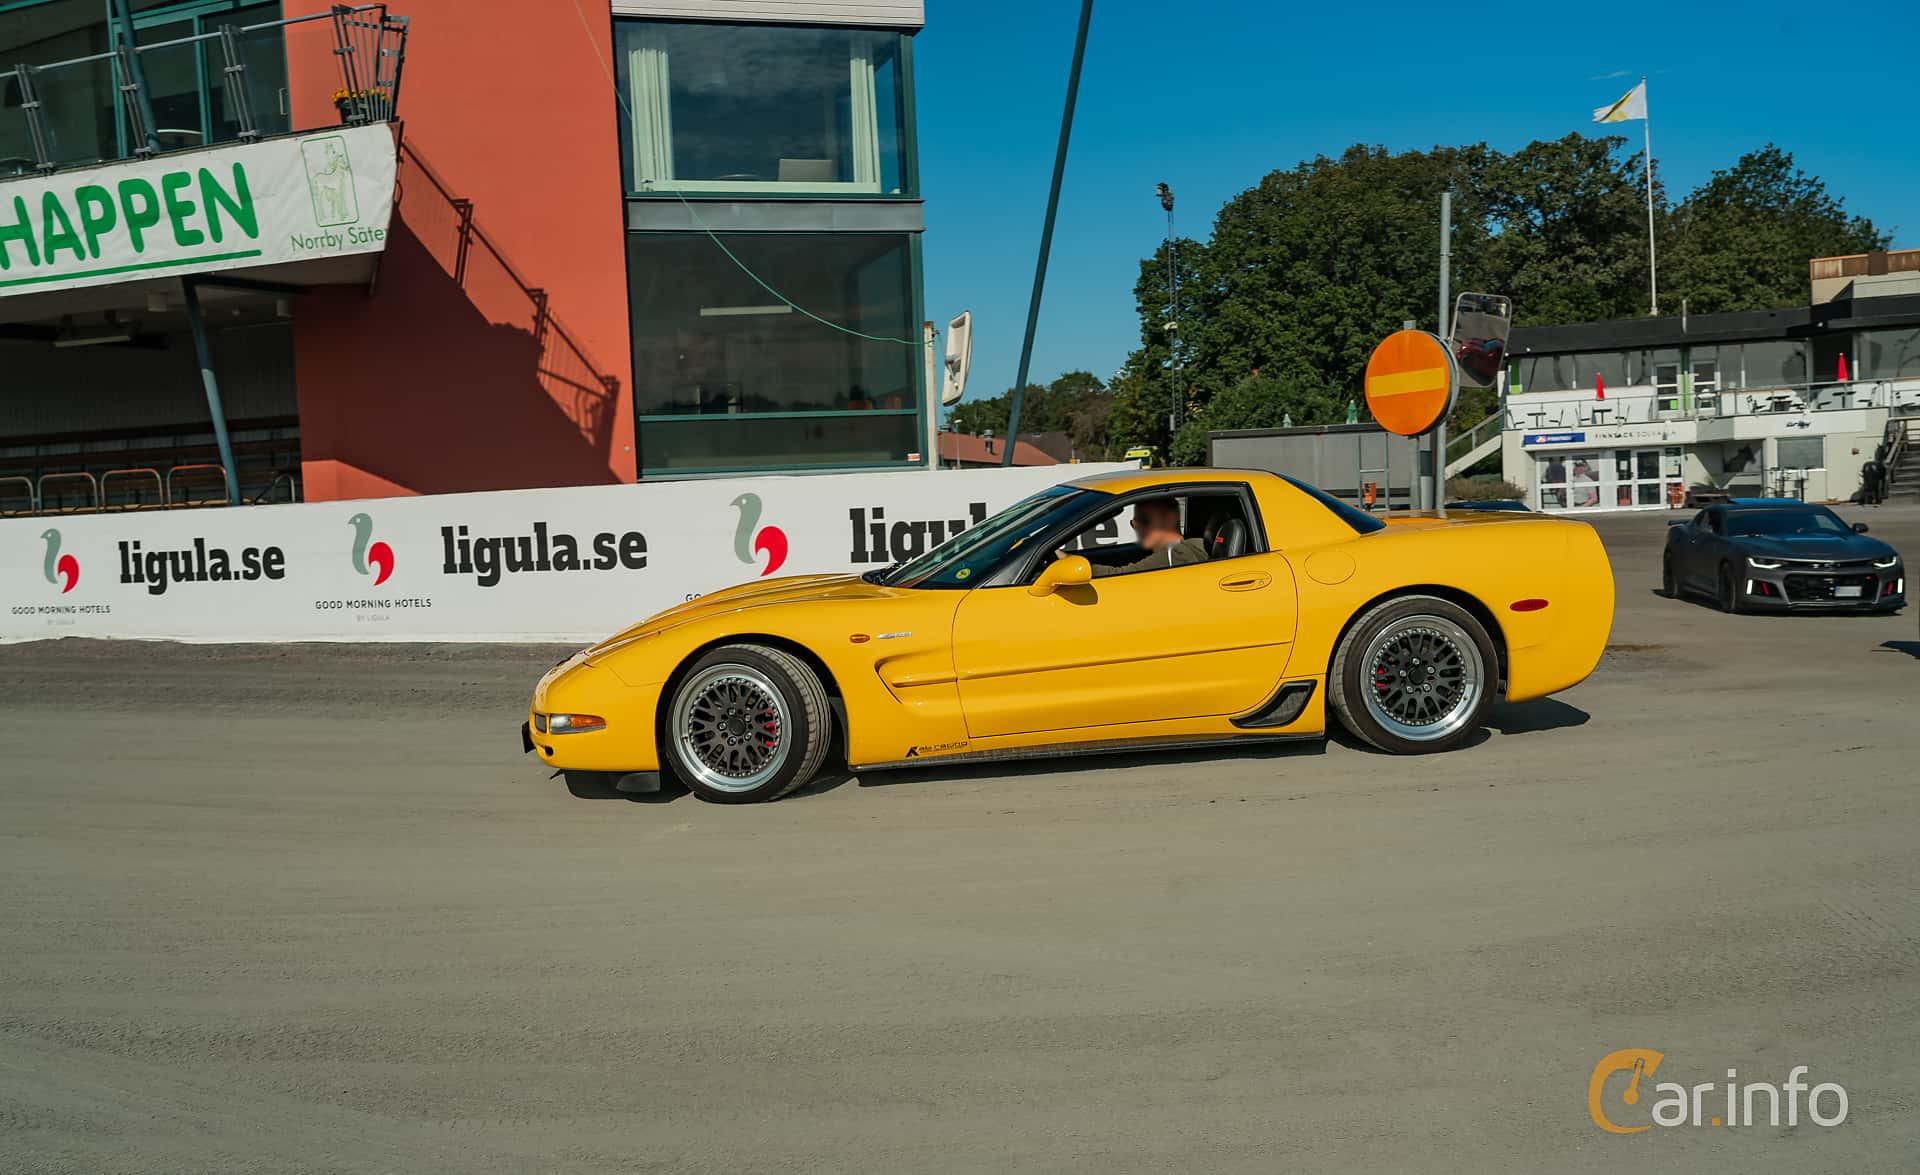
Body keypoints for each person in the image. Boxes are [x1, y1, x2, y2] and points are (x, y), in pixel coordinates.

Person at [1086, 497, 1209, 578]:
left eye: (1143, 521)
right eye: (1134, 522)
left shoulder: (1174, 554)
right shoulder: (1196, 545)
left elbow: (1120, 575)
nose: (1137, 528)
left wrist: (1075, 563)